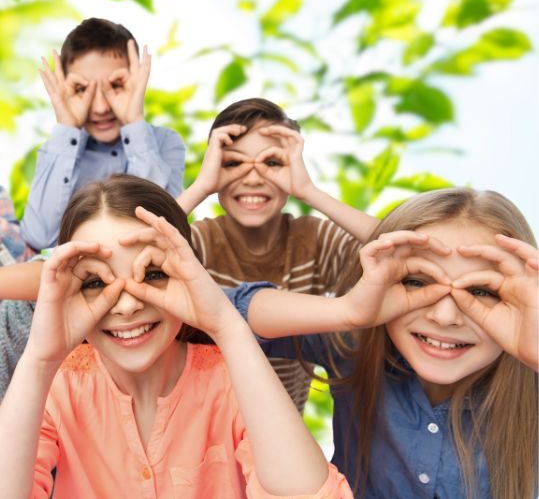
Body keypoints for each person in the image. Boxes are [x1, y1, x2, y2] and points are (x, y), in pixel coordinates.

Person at [0, 174, 352, 498]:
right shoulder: (60, 388)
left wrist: (227, 327)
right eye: (95, 283)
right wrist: (40, 358)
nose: (126, 305)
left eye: (153, 274)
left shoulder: (230, 382)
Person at [243, 187, 538, 498]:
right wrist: (346, 311)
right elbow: (214, 315)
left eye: (480, 291)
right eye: (417, 281)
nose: (444, 315)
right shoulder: (357, 343)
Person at [177, 98, 379, 412]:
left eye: (271, 162)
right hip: (204, 424)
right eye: (233, 163)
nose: (253, 177)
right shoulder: (200, 242)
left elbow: (404, 247)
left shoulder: (314, 240)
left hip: (284, 428)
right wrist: (201, 186)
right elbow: (130, 251)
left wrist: (309, 191)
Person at [6, 17, 185, 254]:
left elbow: (162, 230)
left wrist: (134, 121)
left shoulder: (165, 142)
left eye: (116, 85)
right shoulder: (58, 150)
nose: (100, 107)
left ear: (137, 80)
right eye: (82, 89)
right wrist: (67, 125)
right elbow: (39, 237)